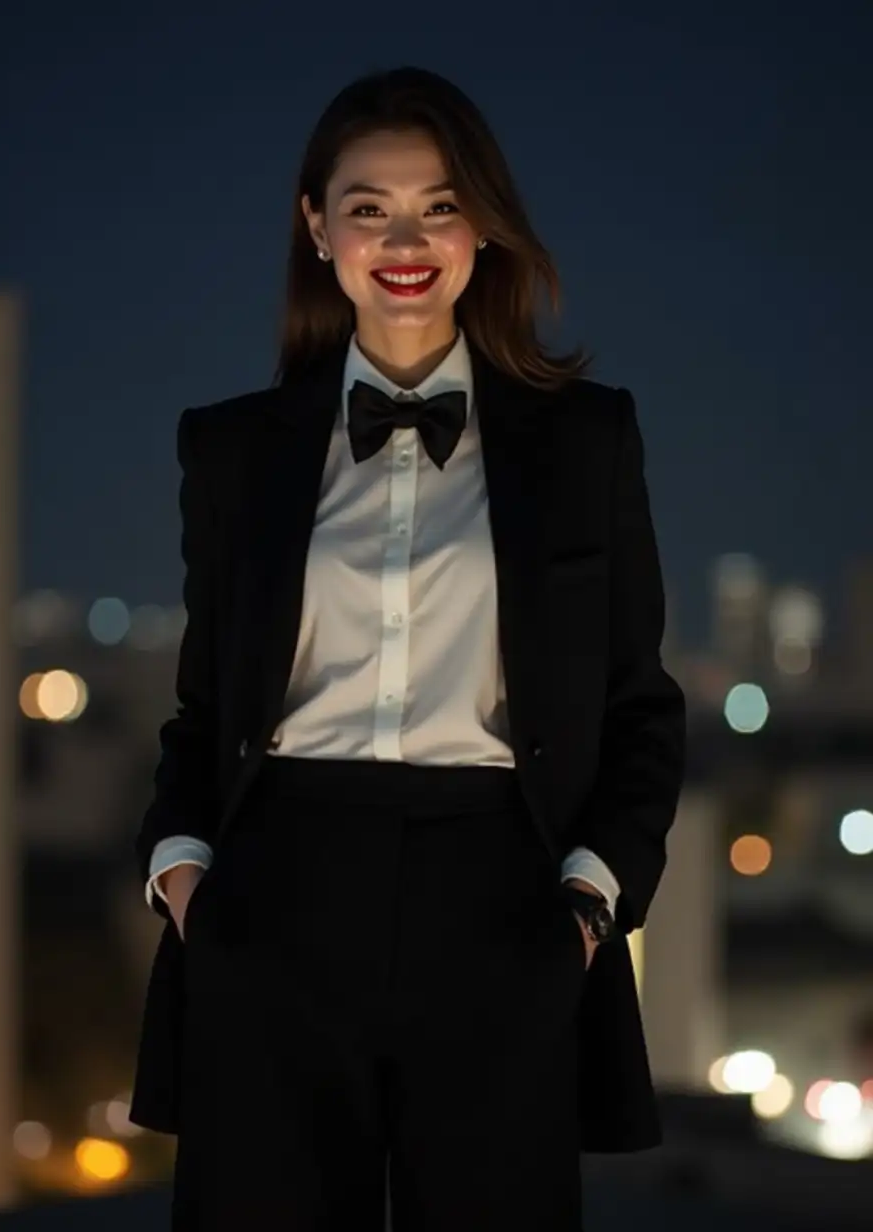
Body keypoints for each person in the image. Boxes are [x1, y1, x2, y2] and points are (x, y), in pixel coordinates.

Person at [128, 64, 686, 1232]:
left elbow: (640, 706)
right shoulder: (230, 451)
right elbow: (201, 709)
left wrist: (583, 911)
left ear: (482, 223)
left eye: (438, 203)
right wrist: (188, 882)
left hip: (504, 906)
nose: (405, 237)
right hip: (274, 900)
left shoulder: (589, 441)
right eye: (368, 205)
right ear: (316, 226)